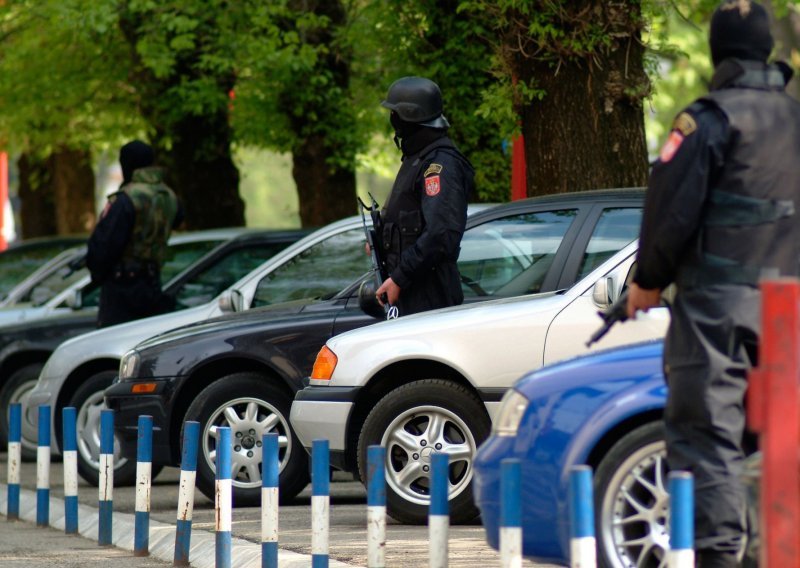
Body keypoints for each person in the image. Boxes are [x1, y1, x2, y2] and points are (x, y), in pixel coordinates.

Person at [626, 2, 800, 566]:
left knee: (711, 441)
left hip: (720, 312)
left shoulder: (707, 120)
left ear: (716, 51)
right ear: (769, 49)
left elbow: (669, 214)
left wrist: (647, 281)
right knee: (783, 445)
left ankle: (724, 559)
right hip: (791, 310)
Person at [375, 76, 474, 316]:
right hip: (412, 294)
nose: (392, 120)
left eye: (394, 113)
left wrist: (400, 277)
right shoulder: (417, 158)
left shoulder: (440, 164)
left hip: (429, 297)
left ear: (408, 116)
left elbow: (441, 233)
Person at [87, 140, 182, 328]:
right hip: (153, 284)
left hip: (123, 291)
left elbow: (103, 247)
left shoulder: (126, 199)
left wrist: (97, 272)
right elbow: (177, 220)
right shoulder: (169, 196)